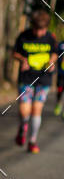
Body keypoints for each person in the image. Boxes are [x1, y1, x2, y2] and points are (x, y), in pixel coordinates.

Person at [13, 11, 58, 152]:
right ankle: (23, 125)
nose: (39, 33)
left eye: (42, 30)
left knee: (37, 109)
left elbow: (55, 53)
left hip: (44, 79)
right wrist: (22, 60)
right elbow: (15, 53)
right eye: (36, 29)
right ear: (32, 26)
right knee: (24, 109)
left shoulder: (50, 37)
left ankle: (32, 141)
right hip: (26, 78)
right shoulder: (24, 36)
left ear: (46, 28)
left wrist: (52, 62)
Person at [53, 37, 64, 116]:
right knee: (60, 90)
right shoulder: (61, 44)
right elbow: (55, 55)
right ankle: (59, 103)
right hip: (61, 73)